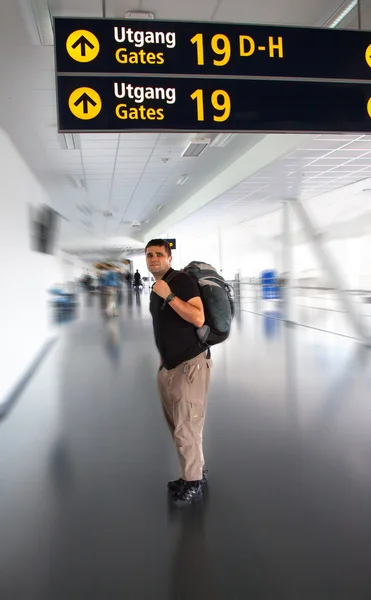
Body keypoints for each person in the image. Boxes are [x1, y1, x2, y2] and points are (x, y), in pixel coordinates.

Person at [146, 238, 212, 508]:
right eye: (149, 255)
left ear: (169, 258)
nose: (153, 259)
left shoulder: (181, 281)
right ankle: (191, 475)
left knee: (187, 427)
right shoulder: (156, 286)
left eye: (159, 255)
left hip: (190, 364)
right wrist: (163, 361)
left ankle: (194, 481)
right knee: (179, 427)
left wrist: (169, 296)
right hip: (170, 366)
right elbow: (163, 327)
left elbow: (198, 318)